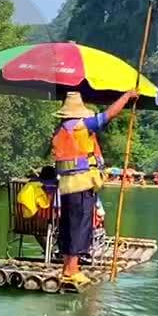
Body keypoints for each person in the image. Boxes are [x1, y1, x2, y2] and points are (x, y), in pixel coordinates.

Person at [50, 90, 136, 286]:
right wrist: (126, 97)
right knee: (80, 227)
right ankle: (72, 270)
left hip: (66, 185)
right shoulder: (81, 126)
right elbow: (109, 115)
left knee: (69, 226)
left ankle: (66, 268)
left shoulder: (60, 129)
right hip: (81, 183)